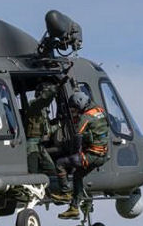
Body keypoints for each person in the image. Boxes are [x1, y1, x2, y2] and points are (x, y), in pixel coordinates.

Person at [55, 90, 110, 219]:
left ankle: (65, 193)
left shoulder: (86, 117)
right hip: (103, 156)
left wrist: (75, 153)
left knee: (60, 163)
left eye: (75, 108)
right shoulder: (101, 111)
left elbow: (78, 136)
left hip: (91, 156)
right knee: (78, 175)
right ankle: (74, 208)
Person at [25, 82, 71, 201]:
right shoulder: (34, 106)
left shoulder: (43, 112)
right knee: (32, 175)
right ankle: (32, 196)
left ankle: (52, 194)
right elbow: (44, 100)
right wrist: (56, 87)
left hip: (40, 145)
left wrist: (58, 125)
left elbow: (47, 130)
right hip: (31, 146)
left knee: (51, 169)